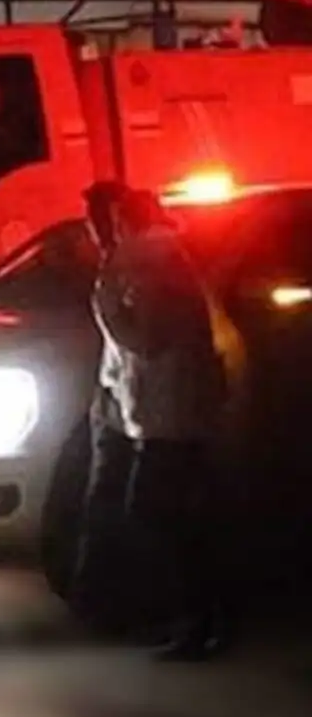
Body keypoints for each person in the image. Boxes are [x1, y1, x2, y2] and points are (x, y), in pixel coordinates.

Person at [89, 184, 232, 660]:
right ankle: (201, 619)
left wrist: (105, 306)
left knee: (152, 514)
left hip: (167, 415)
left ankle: (189, 619)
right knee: (185, 517)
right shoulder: (166, 255)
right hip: (178, 411)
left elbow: (146, 340)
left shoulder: (150, 262)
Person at [71, 182, 139, 629]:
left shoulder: (132, 267)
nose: (95, 229)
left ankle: (107, 599)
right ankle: (101, 599)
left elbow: (136, 338)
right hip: (118, 400)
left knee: (125, 502)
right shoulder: (115, 266)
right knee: (108, 500)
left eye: (100, 218)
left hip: (133, 402)